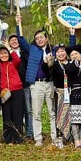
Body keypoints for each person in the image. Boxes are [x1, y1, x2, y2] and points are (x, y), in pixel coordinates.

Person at [15, 15, 56, 147]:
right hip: (36, 84)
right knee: (36, 112)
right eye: (37, 38)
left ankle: (55, 136)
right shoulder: (32, 49)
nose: (39, 40)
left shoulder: (53, 49)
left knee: (52, 112)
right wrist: (18, 24)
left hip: (50, 83)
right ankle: (38, 137)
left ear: (46, 38)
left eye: (41, 37)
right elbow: (21, 40)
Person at [0, 44, 25, 144]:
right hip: (4, 92)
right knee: (7, 115)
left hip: (17, 90)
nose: (4, 55)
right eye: (1, 54)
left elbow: (17, 59)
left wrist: (9, 47)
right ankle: (8, 138)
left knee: (18, 114)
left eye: (5, 53)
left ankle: (18, 136)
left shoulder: (13, 63)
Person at [8, 33, 33, 140]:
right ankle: (18, 130)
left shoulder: (25, 52)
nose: (14, 41)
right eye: (12, 40)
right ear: (9, 43)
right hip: (13, 86)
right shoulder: (7, 54)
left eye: (16, 39)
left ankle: (29, 132)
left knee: (28, 109)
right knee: (17, 110)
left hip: (25, 84)